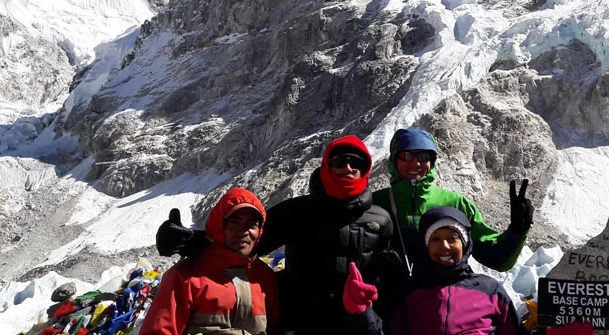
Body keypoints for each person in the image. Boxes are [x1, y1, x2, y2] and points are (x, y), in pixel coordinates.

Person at [156, 135, 394, 334]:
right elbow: (247, 241)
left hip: (354, 321)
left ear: (366, 170)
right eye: (340, 161)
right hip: (300, 319)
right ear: (325, 165)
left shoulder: (380, 219)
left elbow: (384, 271)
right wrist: (191, 241)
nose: (348, 168)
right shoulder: (296, 211)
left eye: (357, 163)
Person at [373, 128, 533, 275]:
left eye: (423, 157)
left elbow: (495, 258)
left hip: (442, 301)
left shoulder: (457, 205)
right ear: (394, 159)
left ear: (432, 162)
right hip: (387, 302)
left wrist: (517, 231)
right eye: (407, 155)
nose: (415, 163)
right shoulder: (374, 203)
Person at [343, 206, 524, 335]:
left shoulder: (490, 290)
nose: (444, 246)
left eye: (453, 238)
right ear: (425, 246)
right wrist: (362, 311)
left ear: (466, 243)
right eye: (435, 239)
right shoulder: (410, 291)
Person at [139, 186, 278, 335]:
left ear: (259, 231)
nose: (243, 232)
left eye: (251, 225)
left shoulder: (264, 279)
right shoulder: (185, 277)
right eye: (235, 223)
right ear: (220, 226)